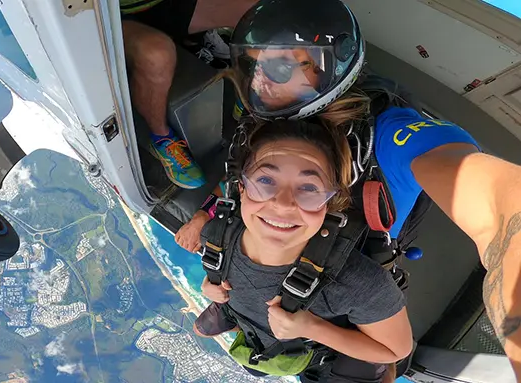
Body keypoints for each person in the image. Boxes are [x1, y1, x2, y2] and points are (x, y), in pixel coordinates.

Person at [175, 0, 521, 380]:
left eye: (280, 64)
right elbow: (246, 178)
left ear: (328, 65)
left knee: (369, 365)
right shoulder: (265, 112)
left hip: (350, 278)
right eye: (251, 64)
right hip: (270, 271)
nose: (261, 81)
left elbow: (499, 205)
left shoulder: (389, 133)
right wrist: (207, 213)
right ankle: (242, 317)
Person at [192, 119, 413, 381]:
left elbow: (394, 349)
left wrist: (311, 327)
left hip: (325, 350)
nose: (283, 204)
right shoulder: (215, 238)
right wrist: (214, 285)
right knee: (251, 359)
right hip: (256, 325)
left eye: (308, 188)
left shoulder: (356, 282)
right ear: (241, 188)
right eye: (265, 180)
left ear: (328, 204)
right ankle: (230, 314)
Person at [120, 0, 257, 189]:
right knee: (156, 54)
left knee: (259, 10)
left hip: (158, 4)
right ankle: (161, 137)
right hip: (109, 16)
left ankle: (248, 87)